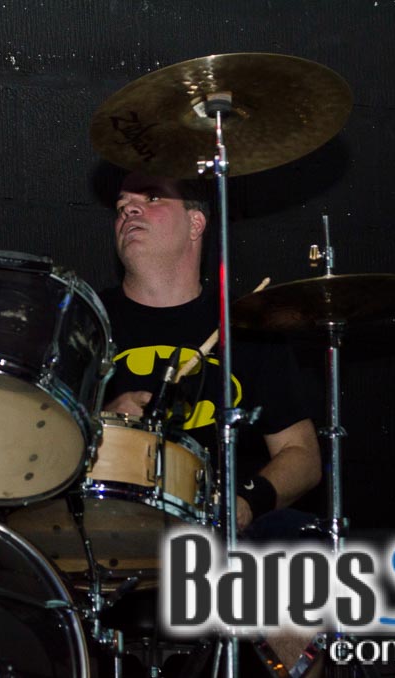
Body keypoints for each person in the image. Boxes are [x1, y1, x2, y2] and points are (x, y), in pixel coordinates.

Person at [100, 170, 321, 537]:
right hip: (109, 529)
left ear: (195, 223)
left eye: (151, 199)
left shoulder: (246, 325)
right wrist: (103, 424)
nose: (129, 211)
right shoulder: (87, 320)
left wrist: (246, 503)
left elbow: (302, 454)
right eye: (122, 206)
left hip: (220, 537)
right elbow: (40, 444)